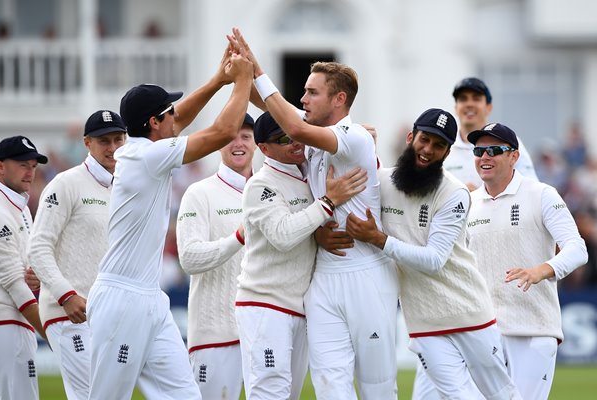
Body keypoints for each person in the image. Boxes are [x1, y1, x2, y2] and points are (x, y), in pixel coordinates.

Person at [229, 28, 400, 400]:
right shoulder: (309, 140)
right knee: (329, 386)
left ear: (339, 99)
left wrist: (256, 70)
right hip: (322, 277)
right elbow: (272, 112)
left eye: (311, 92)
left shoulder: (352, 136)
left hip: (366, 271)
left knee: (377, 387)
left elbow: (290, 125)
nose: (302, 97)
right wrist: (246, 70)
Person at [85, 46, 253, 400]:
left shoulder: (148, 147)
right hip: (121, 298)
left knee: (186, 396)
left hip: (149, 298)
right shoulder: (147, 155)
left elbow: (181, 118)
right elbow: (223, 132)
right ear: (153, 123)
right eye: (167, 114)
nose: (175, 116)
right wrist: (243, 80)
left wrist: (219, 81)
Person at [345, 108, 522, 399]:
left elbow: (434, 261)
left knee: (502, 394)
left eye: (438, 145)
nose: (428, 150)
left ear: (447, 153)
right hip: (423, 321)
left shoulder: (454, 193)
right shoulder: (383, 181)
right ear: (411, 137)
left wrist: (379, 239)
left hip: (469, 313)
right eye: (424, 140)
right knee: (457, 396)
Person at [236, 111, 367, 399]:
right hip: (265, 303)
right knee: (270, 391)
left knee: (290, 393)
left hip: (299, 306)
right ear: (264, 148)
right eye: (283, 138)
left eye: (297, 132)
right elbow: (283, 235)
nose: (295, 141)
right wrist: (329, 202)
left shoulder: (306, 170)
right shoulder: (260, 185)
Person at [466, 122, 588, 399]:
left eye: (494, 150)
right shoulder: (469, 203)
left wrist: (542, 270)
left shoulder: (542, 194)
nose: (485, 157)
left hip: (534, 329)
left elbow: (577, 248)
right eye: (479, 151)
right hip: (484, 332)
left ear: (514, 156)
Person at [28, 110, 126, 400]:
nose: (111, 148)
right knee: (90, 395)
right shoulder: (65, 183)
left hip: (106, 312)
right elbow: (38, 246)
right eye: (103, 141)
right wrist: (65, 295)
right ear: (87, 143)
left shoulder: (122, 187)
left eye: (118, 140)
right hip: (68, 312)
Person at [175, 113, 256, 399]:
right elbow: (189, 257)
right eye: (231, 136)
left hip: (263, 329)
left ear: (257, 143)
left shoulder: (271, 191)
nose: (239, 143)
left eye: (246, 136)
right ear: (219, 142)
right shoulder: (200, 193)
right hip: (215, 333)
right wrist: (237, 238)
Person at [0, 135, 49, 400]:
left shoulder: (20, 206)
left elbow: (25, 272)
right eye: (22, 165)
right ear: (0, 167)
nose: (30, 172)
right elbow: (13, 282)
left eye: (33, 165)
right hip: (5, 324)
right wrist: (50, 333)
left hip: (15, 322)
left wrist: (35, 276)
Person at [443, 77, 537, 190]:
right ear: (456, 108)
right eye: (463, 99)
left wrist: (483, 196)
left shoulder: (509, 142)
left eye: (476, 98)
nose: (469, 104)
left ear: (489, 107)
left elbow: (531, 187)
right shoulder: (443, 146)